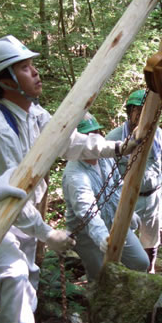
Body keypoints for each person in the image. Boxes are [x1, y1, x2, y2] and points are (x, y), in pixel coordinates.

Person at [0, 35, 140, 323]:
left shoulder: (36, 115)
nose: (35, 72)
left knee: (31, 276)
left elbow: (70, 143)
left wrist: (117, 147)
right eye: (24, 67)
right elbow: (10, 195)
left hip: (24, 214)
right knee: (16, 272)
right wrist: (48, 233)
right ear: (5, 80)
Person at [62, 113, 149, 280]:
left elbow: (118, 185)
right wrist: (103, 237)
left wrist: (129, 214)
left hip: (114, 222)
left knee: (140, 262)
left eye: (96, 133)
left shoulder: (105, 158)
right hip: (88, 235)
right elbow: (87, 212)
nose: (93, 138)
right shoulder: (75, 176)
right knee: (101, 277)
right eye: (87, 135)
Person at [106, 89, 162, 273]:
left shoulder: (158, 135)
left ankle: (149, 271)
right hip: (126, 199)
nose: (141, 114)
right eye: (137, 110)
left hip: (153, 196)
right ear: (129, 112)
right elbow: (106, 173)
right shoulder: (114, 138)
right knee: (125, 239)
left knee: (151, 238)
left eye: (145, 110)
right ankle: (123, 273)